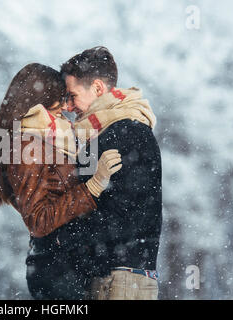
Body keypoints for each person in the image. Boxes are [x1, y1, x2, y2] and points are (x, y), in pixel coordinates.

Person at [0, 63, 122, 299]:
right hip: (56, 270)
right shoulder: (27, 144)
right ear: (41, 97)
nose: (67, 106)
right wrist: (91, 188)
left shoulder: (51, 141)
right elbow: (38, 220)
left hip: (67, 265)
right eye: (62, 98)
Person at [60, 46, 162, 300]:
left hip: (120, 281)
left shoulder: (126, 132)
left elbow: (127, 213)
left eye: (72, 96)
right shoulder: (106, 133)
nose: (68, 107)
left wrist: (64, 234)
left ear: (97, 88)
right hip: (116, 276)